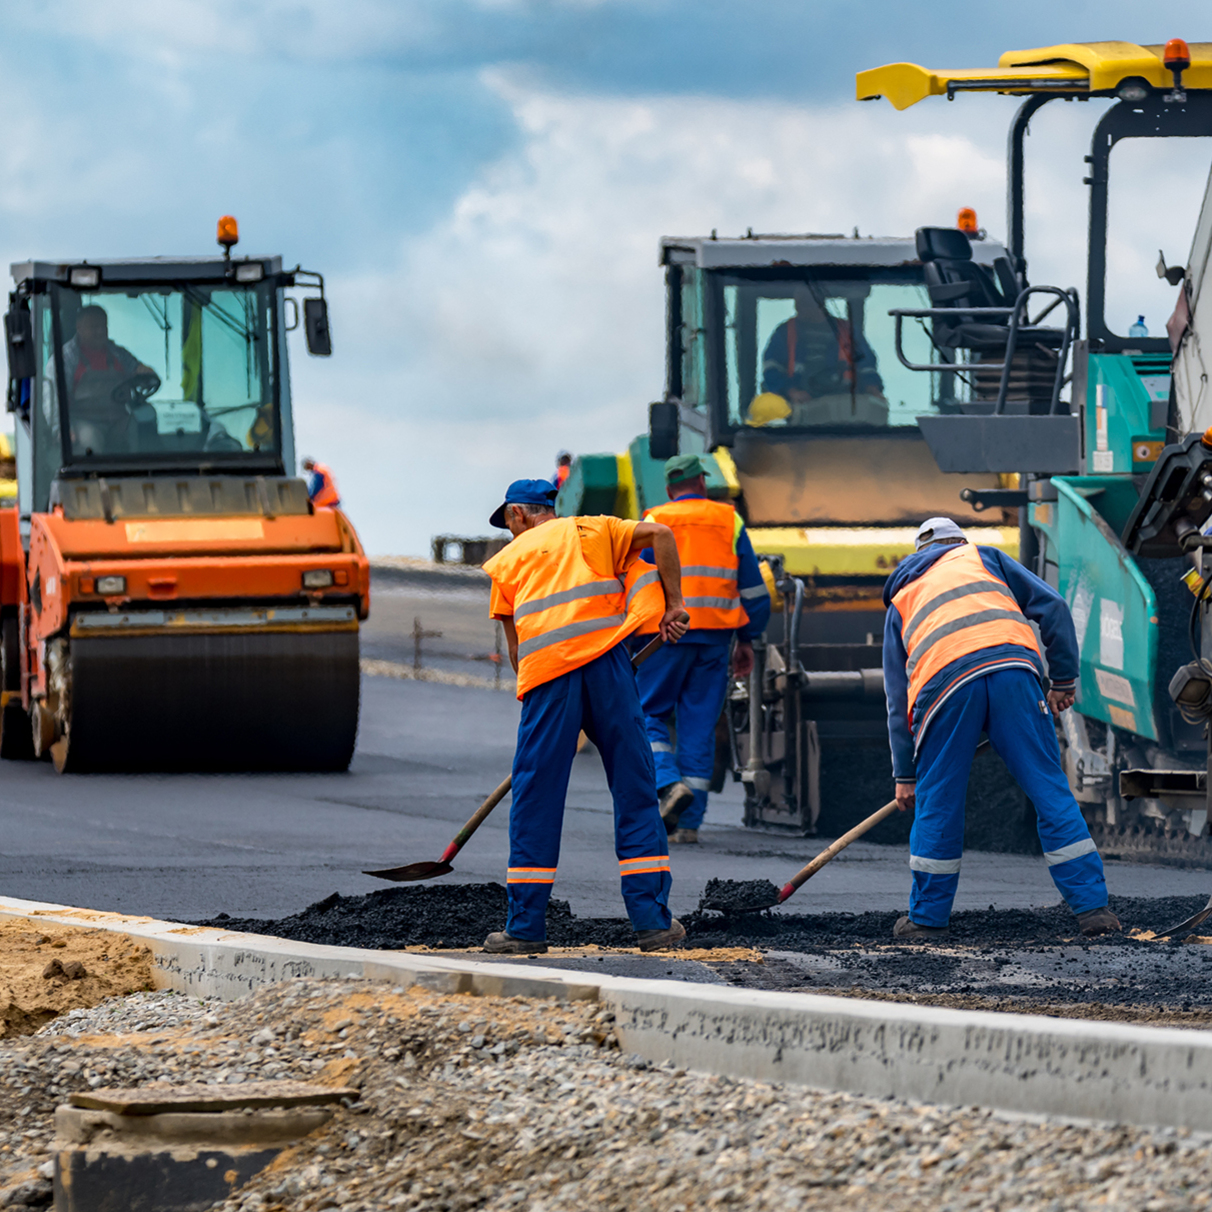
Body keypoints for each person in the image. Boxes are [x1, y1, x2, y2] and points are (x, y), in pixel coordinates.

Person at [882, 517, 1119, 939]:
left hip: (944, 690)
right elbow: (1055, 609)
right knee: (1050, 790)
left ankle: (926, 921)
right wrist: (1063, 680)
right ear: (960, 542)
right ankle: (1094, 912)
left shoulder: (903, 594)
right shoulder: (985, 558)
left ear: (918, 554)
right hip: (1013, 673)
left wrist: (906, 774)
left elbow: (897, 698)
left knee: (939, 801)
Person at [481, 478, 690, 955]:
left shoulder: (507, 563)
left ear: (518, 515)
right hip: (609, 668)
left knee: (536, 797)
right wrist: (674, 603)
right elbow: (661, 535)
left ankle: (525, 928)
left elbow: (517, 653)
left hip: (548, 680)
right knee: (636, 790)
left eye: (509, 523)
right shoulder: (594, 530)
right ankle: (653, 924)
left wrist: (548, 710)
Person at [635, 454, 771, 843]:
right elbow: (754, 591)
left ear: (668, 489)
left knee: (646, 713)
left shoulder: (654, 517)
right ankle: (689, 825)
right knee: (699, 725)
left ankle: (667, 784)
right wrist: (748, 638)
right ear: (702, 483)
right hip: (715, 638)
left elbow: (639, 582)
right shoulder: (729, 520)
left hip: (664, 635)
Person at [48, 305, 159, 453]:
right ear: (79, 328)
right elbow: (53, 398)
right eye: (94, 327)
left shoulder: (118, 354)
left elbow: (137, 371)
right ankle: (90, 475)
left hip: (117, 419)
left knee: (139, 425)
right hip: (84, 421)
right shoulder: (65, 359)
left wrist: (146, 373)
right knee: (90, 440)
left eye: (103, 326)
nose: (100, 331)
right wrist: (61, 429)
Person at [761, 285, 884, 402]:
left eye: (806, 301)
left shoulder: (847, 331)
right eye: (798, 302)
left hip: (846, 406)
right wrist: (791, 391)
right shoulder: (784, 332)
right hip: (799, 410)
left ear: (821, 302)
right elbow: (772, 368)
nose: (800, 307)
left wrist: (873, 389)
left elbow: (866, 365)